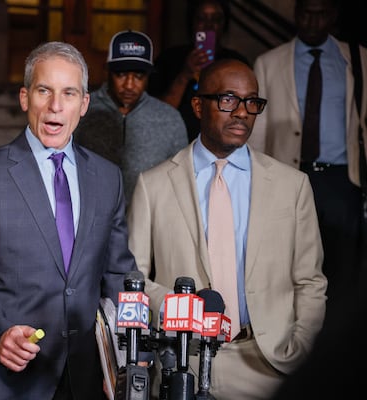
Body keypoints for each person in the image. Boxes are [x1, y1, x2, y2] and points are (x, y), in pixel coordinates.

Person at [0, 41, 138, 400]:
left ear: (84, 104)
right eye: (44, 90)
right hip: (4, 379)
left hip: (83, 379)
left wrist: (124, 355)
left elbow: (118, 275)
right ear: (25, 97)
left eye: (69, 93)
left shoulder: (108, 178)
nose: (55, 106)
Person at [127, 59, 327, 399]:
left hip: (268, 364)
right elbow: (133, 277)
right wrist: (180, 311)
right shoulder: (153, 185)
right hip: (181, 365)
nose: (242, 112)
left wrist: (300, 347)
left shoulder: (292, 186)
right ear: (197, 105)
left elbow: (310, 280)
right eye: (228, 99)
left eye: (252, 102)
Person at [248, 0, 367, 303]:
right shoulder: (269, 62)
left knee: (341, 269)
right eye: (306, 14)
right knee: (286, 265)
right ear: (296, 14)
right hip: (287, 175)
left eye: (322, 14)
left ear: (334, 15)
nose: (313, 23)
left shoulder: (358, 58)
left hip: (343, 179)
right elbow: (258, 130)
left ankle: (335, 345)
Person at [74, 30, 188, 206]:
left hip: (148, 221)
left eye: (138, 76)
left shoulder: (169, 118)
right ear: (108, 71)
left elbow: (181, 179)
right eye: (120, 74)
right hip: (90, 217)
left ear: (148, 77)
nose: (129, 85)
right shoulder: (82, 110)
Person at [147, 0, 249, 143]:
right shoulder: (169, 58)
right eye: (202, 18)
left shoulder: (236, 63)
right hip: (173, 143)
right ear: (192, 23)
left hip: (221, 144)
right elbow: (154, 113)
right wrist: (185, 75)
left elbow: (245, 110)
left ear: (224, 25)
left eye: (216, 19)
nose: (209, 25)